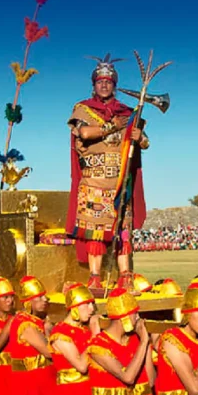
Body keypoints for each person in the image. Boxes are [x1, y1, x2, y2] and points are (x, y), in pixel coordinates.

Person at [66, 54, 149, 289]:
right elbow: (84, 134)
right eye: (100, 81)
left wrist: (139, 136)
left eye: (109, 81)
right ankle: (95, 277)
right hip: (94, 181)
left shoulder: (126, 112)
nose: (104, 85)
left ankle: (125, 275)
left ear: (114, 85)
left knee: (123, 229)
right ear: (94, 84)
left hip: (120, 180)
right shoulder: (82, 109)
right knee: (95, 231)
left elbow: (144, 141)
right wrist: (112, 126)